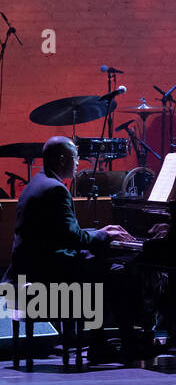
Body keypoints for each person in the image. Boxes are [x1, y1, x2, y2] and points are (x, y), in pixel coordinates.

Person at [8, 137, 144, 364]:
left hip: (29, 268)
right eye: (76, 157)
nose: (79, 162)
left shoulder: (38, 183)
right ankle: (127, 343)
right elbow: (72, 237)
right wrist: (103, 235)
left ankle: (100, 344)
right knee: (116, 271)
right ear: (62, 160)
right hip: (44, 273)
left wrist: (101, 231)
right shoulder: (56, 190)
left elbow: (61, 232)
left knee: (98, 268)